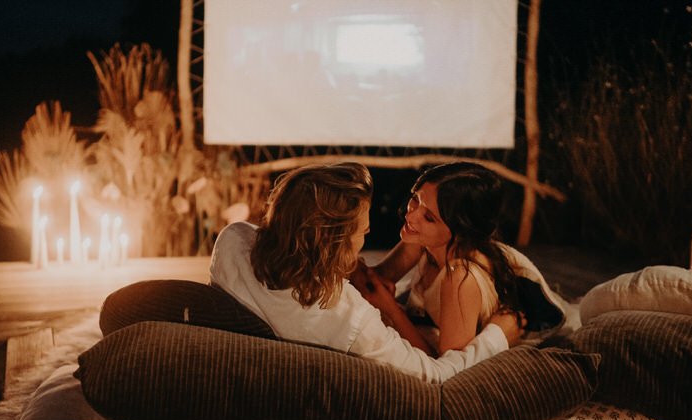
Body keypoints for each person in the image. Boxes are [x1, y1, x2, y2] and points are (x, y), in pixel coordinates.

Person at [209, 161, 522, 383]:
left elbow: (378, 277)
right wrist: (498, 334)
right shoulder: (346, 315)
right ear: (333, 245)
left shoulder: (232, 241)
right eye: (362, 233)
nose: (367, 235)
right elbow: (437, 374)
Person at [349, 162, 559, 357]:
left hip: (525, 337)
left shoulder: (461, 277)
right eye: (415, 199)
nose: (411, 216)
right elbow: (373, 280)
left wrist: (390, 308)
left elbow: (446, 366)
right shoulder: (422, 238)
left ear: (460, 231)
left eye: (429, 218)